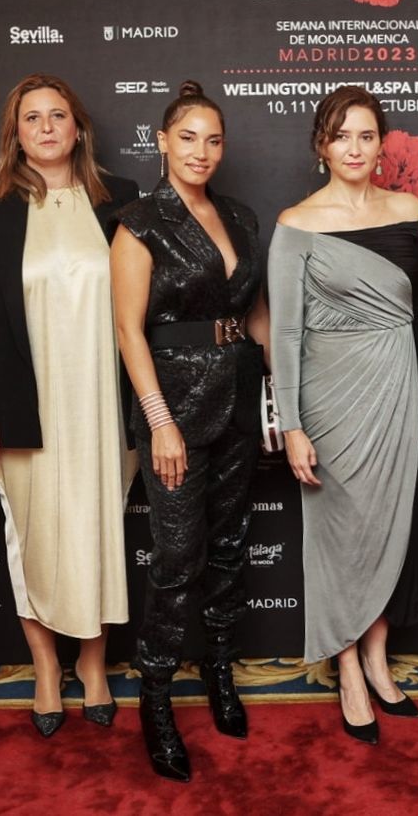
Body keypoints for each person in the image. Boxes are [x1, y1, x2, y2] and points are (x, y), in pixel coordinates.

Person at [0, 73, 140, 737]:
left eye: (59, 116)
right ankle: (46, 668)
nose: (48, 127)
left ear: (78, 128)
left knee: (98, 532)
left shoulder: (121, 201)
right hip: (21, 407)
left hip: (103, 408)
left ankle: (93, 665)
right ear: (16, 133)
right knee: (29, 538)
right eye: (33, 118)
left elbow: (141, 313)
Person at [268, 85, 418, 745]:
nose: (354, 147)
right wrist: (292, 424)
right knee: (338, 533)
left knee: (386, 528)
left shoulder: (405, 209)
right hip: (328, 394)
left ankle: (376, 656)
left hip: (398, 385)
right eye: (342, 135)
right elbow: (284, 334)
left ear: (381, 144)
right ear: (323, 145)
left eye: (367, 135)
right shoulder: (296, 222)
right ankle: (346, 663)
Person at [110, 82, 269, 782]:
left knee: (230, 546)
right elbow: (127, 329)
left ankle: (221, 675)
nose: (201, 151)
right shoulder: (140, 220)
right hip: (173, 408)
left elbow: (254, 315)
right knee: (178, 560)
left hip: (238, 397)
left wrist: (278, 398)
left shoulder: (238, 214)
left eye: (213, 139)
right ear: (162, 142)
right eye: (188, 138)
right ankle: (155, 700)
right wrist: (159, 422)